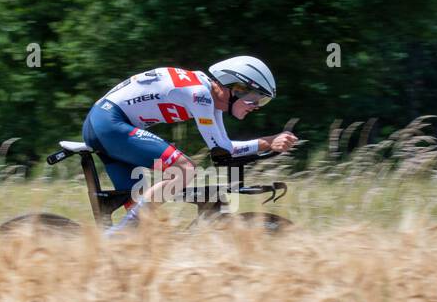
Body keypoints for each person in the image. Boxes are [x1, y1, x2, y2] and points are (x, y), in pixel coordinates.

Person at [81, 55, 298, 233]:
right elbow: (222, 149)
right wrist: (269, 142)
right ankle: (120, 235)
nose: (257, 106)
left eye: (263, 101)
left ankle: (113, 243)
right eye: (256, 98)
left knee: (146, 228)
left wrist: (266, 145)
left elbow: (224, 148)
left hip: (104, 123)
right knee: (184, 169)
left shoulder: (210, 97)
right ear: (235, 88)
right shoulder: (200, 94)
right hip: (109, 124)